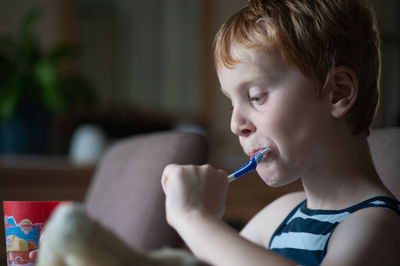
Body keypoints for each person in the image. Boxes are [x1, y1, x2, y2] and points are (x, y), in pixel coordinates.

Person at [161, 0, 400, 265]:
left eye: (256, 96)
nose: (236, 124)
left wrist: (194, 219)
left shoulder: (376, 225)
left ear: (338, 93)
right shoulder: (281, 215)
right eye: (232, 103)